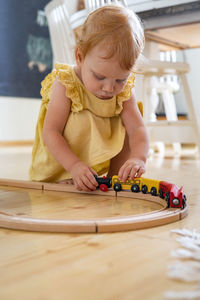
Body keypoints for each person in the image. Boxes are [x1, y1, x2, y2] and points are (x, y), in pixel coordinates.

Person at [29, 4, 149, 192]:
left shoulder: (123, 92)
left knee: (130, 120)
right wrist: (74, 166)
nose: (109, 88)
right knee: (81, 118)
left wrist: (138, 158)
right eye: (100, 77)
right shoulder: (66, 83)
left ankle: (114, 177)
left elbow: (138, 129)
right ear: (80, 57)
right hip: (63, 162)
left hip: (97, 162)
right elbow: (51, 132)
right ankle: (66, 176)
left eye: (120, 79)